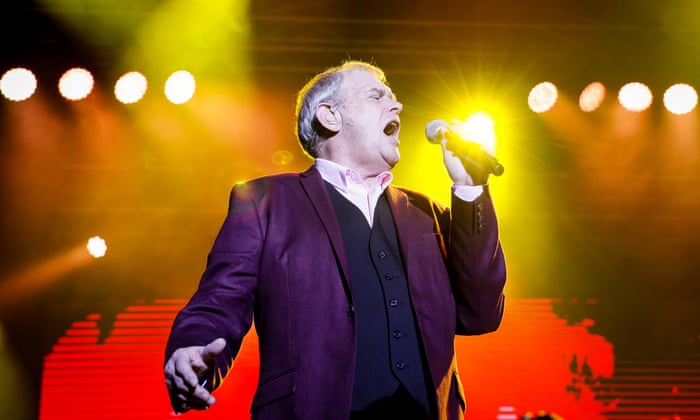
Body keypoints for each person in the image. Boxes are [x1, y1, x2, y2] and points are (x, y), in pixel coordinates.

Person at [163, 60, 507, 420]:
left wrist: (470, 189)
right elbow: (220, 297)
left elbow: (481, 313)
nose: (397, 105)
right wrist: (191, 348)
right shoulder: (265, 201)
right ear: (329, 116)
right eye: (377, 95)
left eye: (393, 96)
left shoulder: (427, 212)